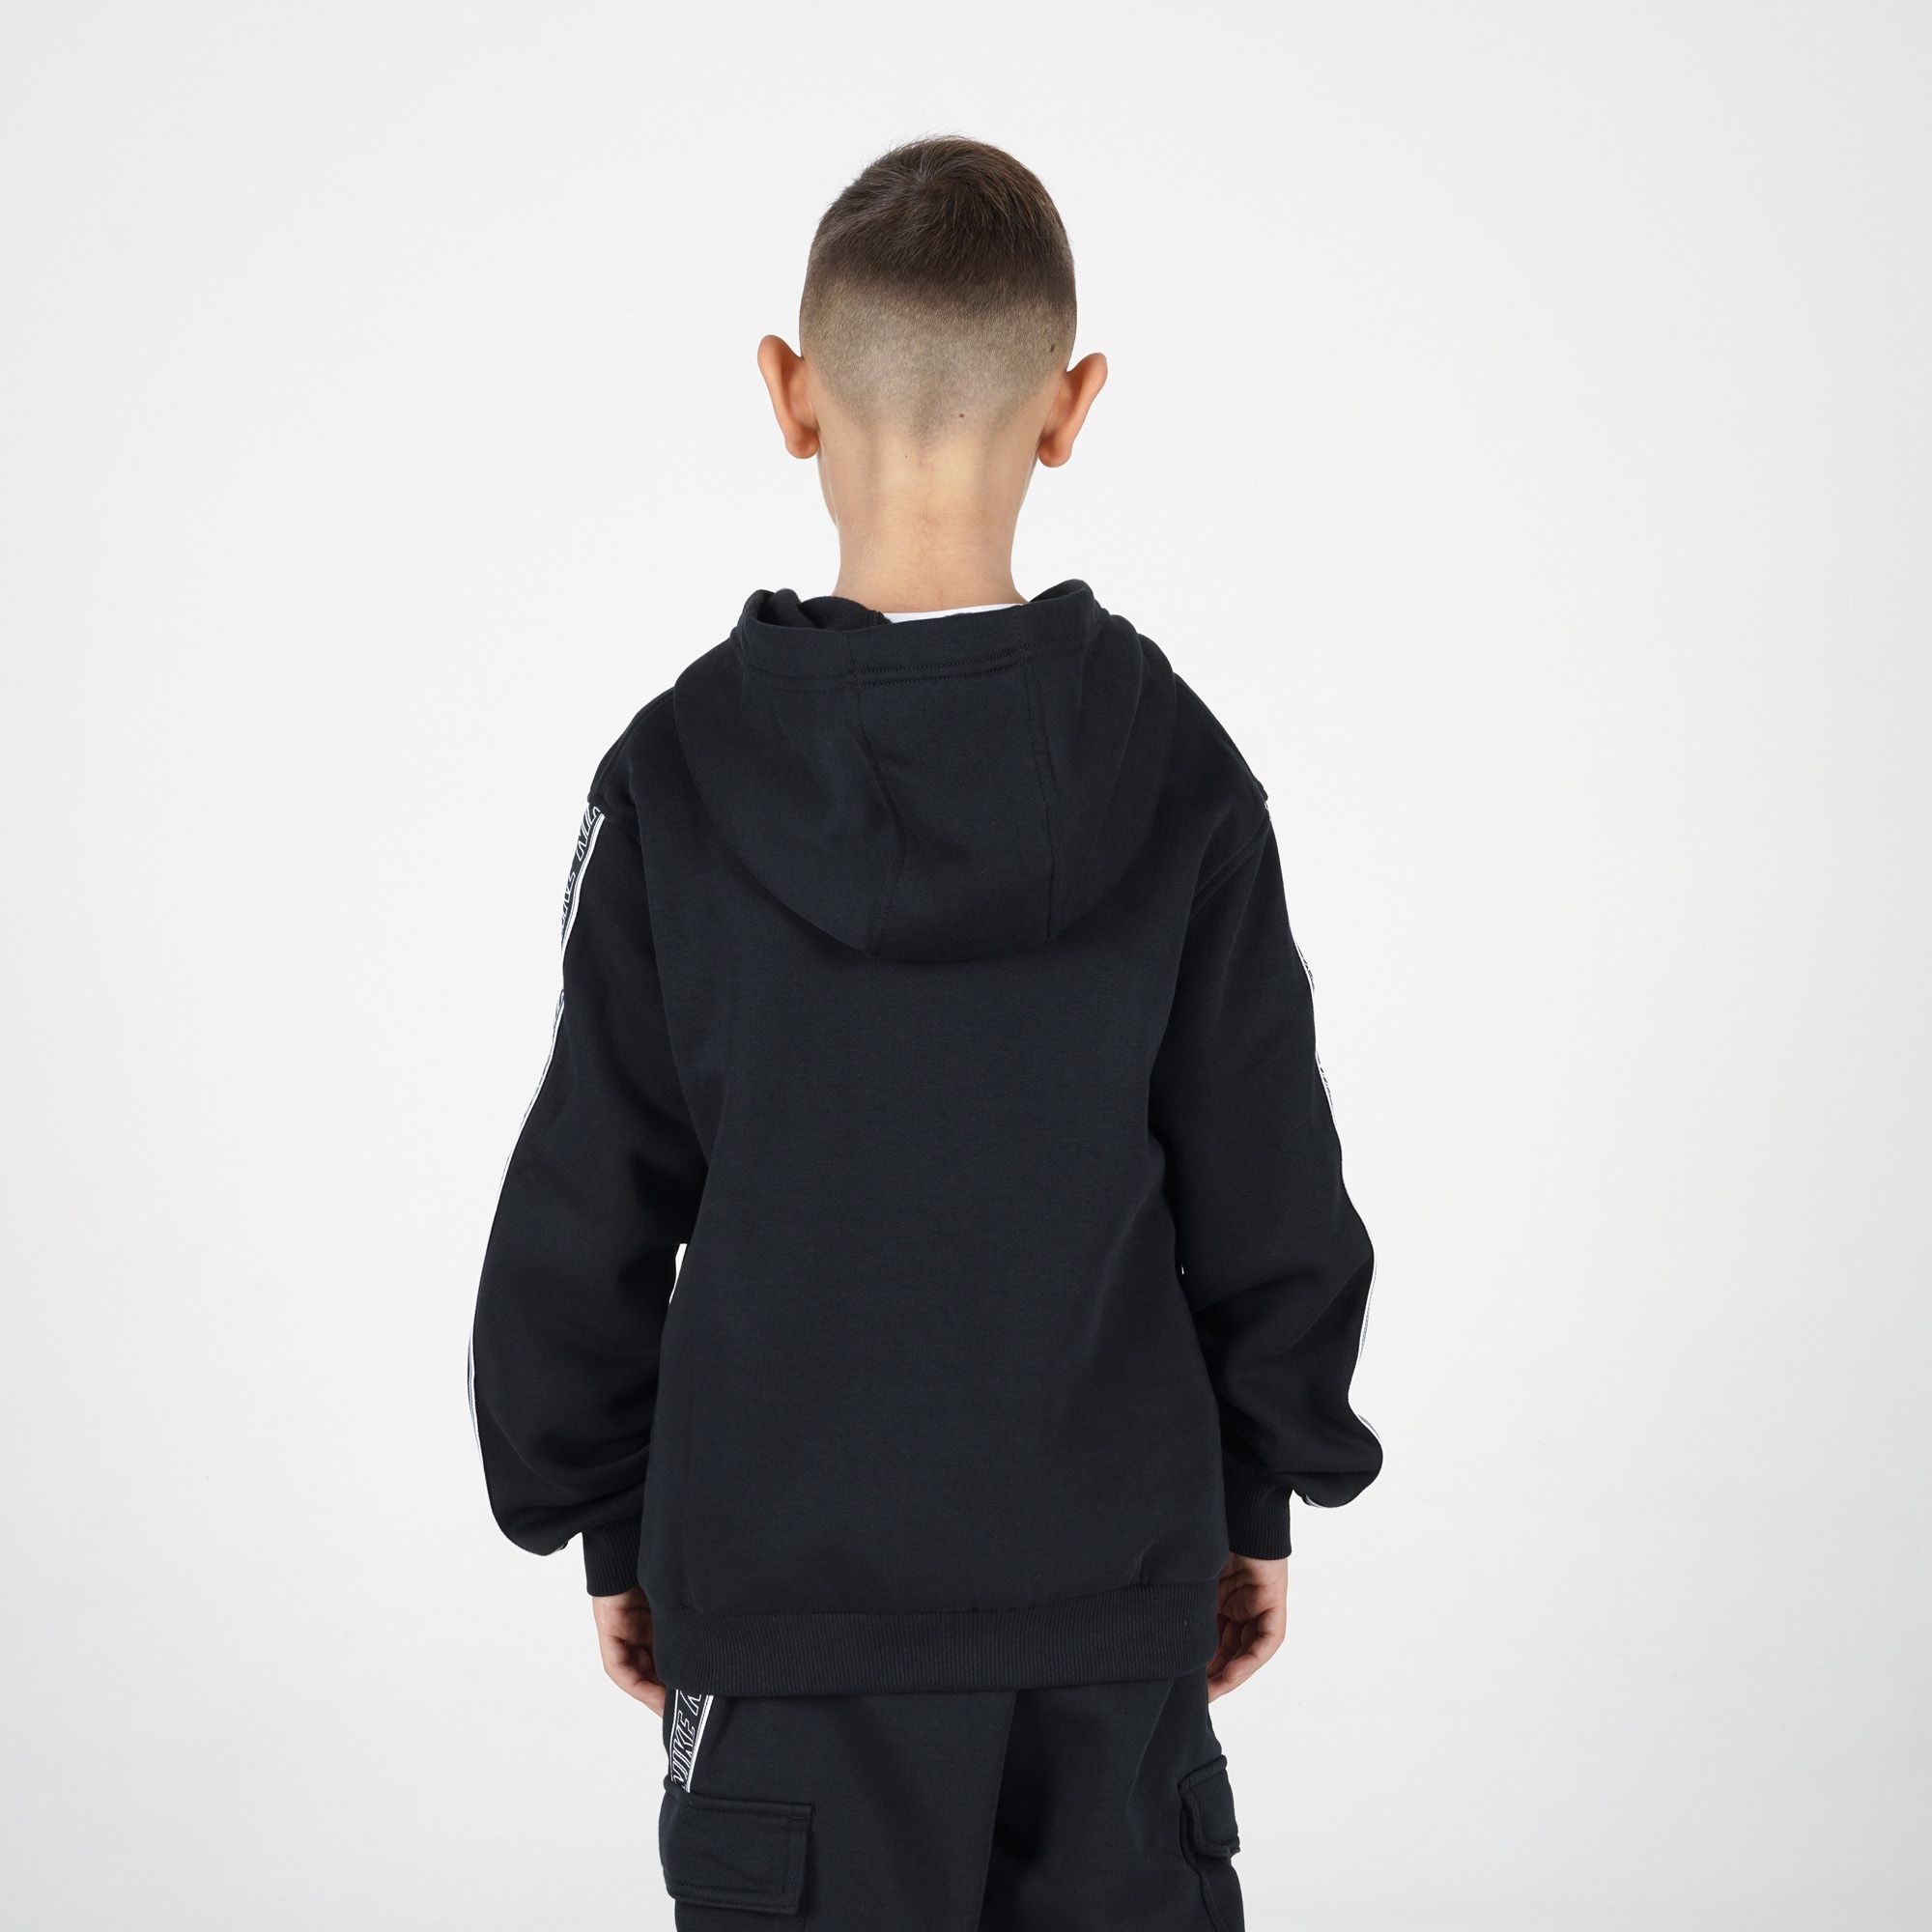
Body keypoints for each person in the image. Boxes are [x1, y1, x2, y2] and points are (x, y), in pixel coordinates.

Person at [470, 135, 1380, 1930]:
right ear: (1072, 407)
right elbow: (1266, 1172)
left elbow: (591, 1188)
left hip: (781, 1616)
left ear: (789, 394)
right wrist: (1255, 1490)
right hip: (1113, 1595)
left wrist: (612, 1516)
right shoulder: (1178, 770)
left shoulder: (680, 777)